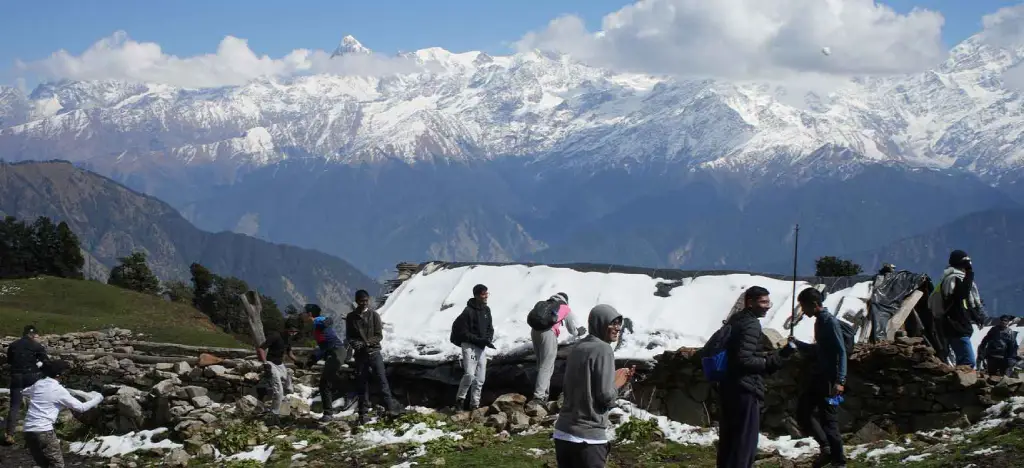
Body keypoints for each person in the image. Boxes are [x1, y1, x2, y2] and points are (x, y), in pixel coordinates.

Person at [716, 286, 792, 468]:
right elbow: (744, 359)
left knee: (729, 440)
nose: (767, 307)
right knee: (744, 442)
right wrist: (773, 361)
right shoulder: (751, 324)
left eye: (768, 302)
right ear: (750, 303)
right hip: (745, 388)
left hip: (729, 386)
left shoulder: (736, 320)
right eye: (763, 302)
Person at [553, 304, 634, 468]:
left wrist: (612, 377)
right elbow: (606, 397)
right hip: (587, 437)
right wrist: (618, 382)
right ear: (600, 323)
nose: (617, 328)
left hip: (563, 432)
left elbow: (584, 384)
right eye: (612, 323)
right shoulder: (604, 349)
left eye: (619, 323)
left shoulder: (578, 347)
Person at [791, 288, 848, 468]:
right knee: (803, 412)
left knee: (829, 421)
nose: (803, 310)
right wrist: (798, 344)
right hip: (818, 377)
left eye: (804, 306)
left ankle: (839, 461)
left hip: (831, 381)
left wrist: (841, 381)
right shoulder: (819, 321)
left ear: (814, 304)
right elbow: (819, 350)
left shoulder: (830, 322)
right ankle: (827, 448)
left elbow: (841, 352)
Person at [21, 360, 103, 468]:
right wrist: (99, 398)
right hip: (44, 431)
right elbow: (81, 408)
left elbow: (24, 391)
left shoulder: (38, 384)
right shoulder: (59, 390)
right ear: (60, 375)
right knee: (57, 464)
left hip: (28, 430)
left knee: (43, 464)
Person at [346, 289, 403, 423]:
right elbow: (349, 336)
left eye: (366, 301)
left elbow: (379, 335)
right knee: (362, 383)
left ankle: (391, 409)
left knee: (382, 381)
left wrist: (366, 343)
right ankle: (363, 413)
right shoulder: (351, 317)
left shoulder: (374, 315)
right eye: (361, 301)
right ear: (356, 301)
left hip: (374, 352)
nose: (364, 303)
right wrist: (355, 344)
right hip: (360, 355)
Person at [928, 250, 987, 368]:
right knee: (968, 361)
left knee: (962, 359)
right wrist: (970, 274)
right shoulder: (953, 279)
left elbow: (964, 303)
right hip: (955, 325)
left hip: (956, 325)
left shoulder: (953, 278)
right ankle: (964, 384)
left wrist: (976, 316)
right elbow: (962, 294)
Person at [529, 292, 586, 406]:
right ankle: (539, 396)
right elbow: (571, 328)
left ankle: (544, 395)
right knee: (546, 365)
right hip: (548, 333)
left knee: (541, 364)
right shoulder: (564, 307)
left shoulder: (545, 304)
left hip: (535, 332)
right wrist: (578, 332)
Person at [450, 284, 495, 411]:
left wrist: (488, 339)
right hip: (469, 344)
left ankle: (475, 404)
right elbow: (464, 332)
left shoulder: (486, 310)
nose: (486, 296)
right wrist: (480, 340)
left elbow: (490, 327)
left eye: (487, 293)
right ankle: (460, 399)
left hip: (481, 346)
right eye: (483, 294)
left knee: (480, 377)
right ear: (476, 296)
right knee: (469, 374)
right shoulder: (467, 312)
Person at [4, 325, 49, 445]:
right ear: (34, 335)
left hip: (16, 376)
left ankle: (9, 434)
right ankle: (37, 433)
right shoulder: (37, 346)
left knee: (14, 406)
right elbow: (45, 361)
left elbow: (9, 361)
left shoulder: (13, 345)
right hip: (32, 376)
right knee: (36, 403)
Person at [304, 304, 347, 421]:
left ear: (309, 314)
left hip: (337, 353)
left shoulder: (318, 322)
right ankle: (330, 410)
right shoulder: (316, 326)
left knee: (324, 383)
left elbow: (328, 320)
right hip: (333, 353)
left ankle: (328, 413)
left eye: (304, 312)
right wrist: (312, 361)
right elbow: (323, 347)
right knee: (327, 381)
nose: (303, 315)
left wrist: (326, 322)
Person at [257, 320, 300, 422]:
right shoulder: (275, 336)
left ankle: (284, 411)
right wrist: (265, 363)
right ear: (286, 329)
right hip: (271, 363)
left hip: (280, 364)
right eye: (291, 331)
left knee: (289, 388)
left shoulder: (288, 339)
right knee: (279, 390)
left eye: (295, 332)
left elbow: (289, 352)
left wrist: (297, 361)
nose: (293, 333)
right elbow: (261, 349)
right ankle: (274, 415)